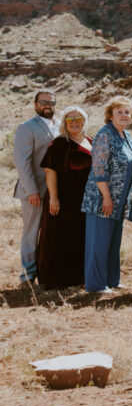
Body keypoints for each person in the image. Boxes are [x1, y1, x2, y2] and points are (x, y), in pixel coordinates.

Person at [81, 96, 132, 294]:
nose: (124, 115)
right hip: (102, 199)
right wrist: (106, 197)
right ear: (110, 115)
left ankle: (112, 280)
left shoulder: (126, 135)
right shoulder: (104, 135)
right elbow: (99, 169)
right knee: (99, 242)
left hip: (119, 200)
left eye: (127, 112)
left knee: (113, 243)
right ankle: (96, 285)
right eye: (119, 112)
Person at [38, 106, 91, 290]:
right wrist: (53, 197)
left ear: (85, 121)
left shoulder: (90, 141)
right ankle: (57, 279)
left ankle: (79, 277)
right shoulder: (60, 143)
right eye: (70, 120)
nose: (75, 123)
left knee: (80, 236)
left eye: (78, 119)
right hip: (64, 198)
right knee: (60, 237)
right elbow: (50, 170)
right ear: (64, 124)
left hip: (84, 199)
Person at [13, 90, 59, 283]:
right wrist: (31, 190)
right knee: (31, 232)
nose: (47, 105)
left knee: (50, 232)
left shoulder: (58, 125)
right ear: (35, 105)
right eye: (43, 102)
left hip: (54, 190)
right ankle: (27, 275)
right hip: (34, 190)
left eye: (51, 102)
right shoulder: (27, 127)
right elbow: (22, 162)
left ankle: (46, 270)